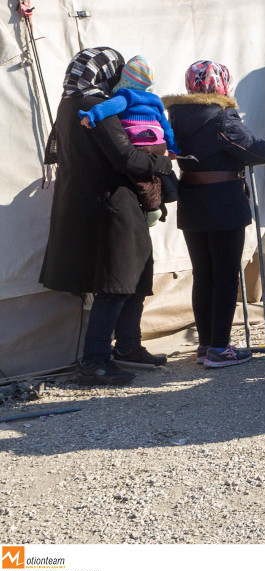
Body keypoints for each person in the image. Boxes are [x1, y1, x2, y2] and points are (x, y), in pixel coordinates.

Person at [41, 47, 176, 386]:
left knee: (135, 273)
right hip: (112, 204)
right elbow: (125, 157)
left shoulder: (68, 103)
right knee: (117, 283)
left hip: (96, 203)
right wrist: (163, 163)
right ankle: (95, 360)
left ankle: (129, 347)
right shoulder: (92, 104)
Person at [166, 60, 265, 368]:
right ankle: (219, 348)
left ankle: (206, 346)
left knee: (204, 275)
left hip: (192, 199)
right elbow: (259, 151)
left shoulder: (176, 115)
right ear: (221, 84)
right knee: (226, 276)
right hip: (223, 202)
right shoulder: (221, 117)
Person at [77, 54, 178, 228]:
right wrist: (173, 147)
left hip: (139, 141)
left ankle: (153, 208)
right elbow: (166, 125)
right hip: (159, 143)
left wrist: (91, 115)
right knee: (153, 171)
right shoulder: (155, 100)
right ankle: (166, 194)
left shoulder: (127, 96)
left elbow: (110, 107)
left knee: (139, 176)